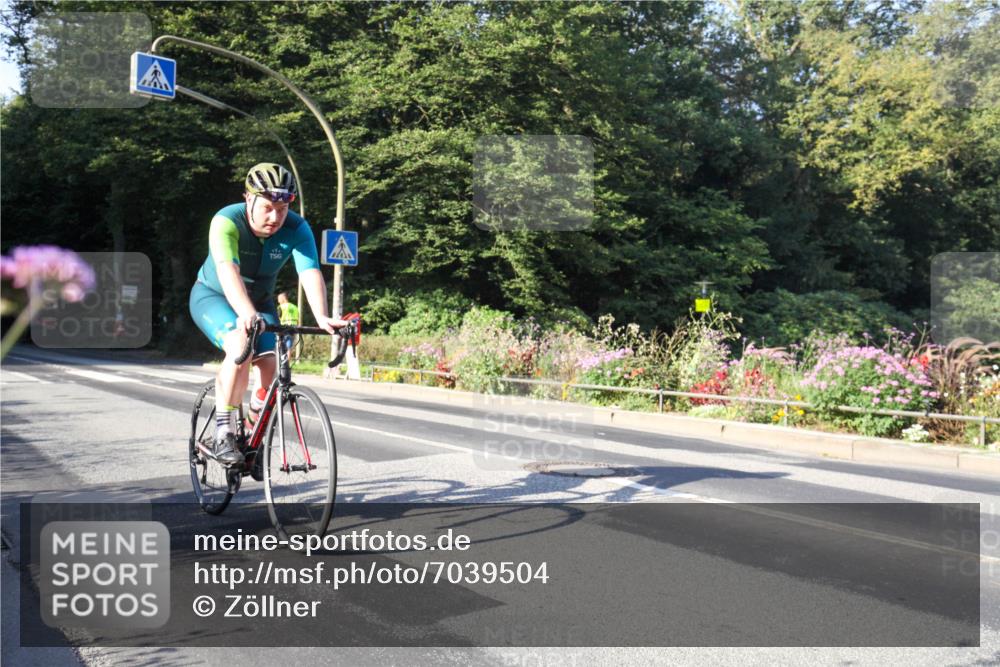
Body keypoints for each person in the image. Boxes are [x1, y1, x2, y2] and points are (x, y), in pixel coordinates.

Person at [189, 163, 345, 466]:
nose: (275, 217)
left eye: (283, 209)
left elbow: (310, 272)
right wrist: (246, 314)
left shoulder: (297, 228)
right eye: (268, 208)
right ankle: (224, 432)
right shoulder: (226, 221)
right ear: (248, 198)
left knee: (273, 364)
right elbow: (228, 271)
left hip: (260, 303)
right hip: (215, 296)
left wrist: (323, 317)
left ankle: (251, 432)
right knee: (239, 346)